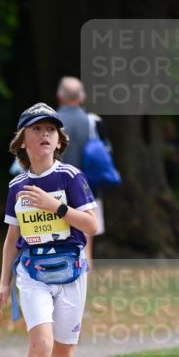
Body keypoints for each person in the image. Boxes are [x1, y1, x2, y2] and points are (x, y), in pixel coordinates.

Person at [0, 103, 98, 357]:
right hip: (33, 273)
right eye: (36, 130)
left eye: (50, 129)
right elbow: (11, 239)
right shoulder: (17, 185)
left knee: (65, 349)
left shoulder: (71, 177)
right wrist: (3, 285)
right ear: (22, 141)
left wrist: (56, 207)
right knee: (42, 343)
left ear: (60, 139)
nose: (44, 135)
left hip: (71, 272)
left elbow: (91, 225)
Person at [56, 76, 108, 265]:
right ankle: (85, 268)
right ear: (82, 97)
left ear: (59, 96)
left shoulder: (49, 122)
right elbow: (105, 153)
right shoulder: (93, 122)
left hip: (54, 188)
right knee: (87, 239)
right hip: (88, 188)